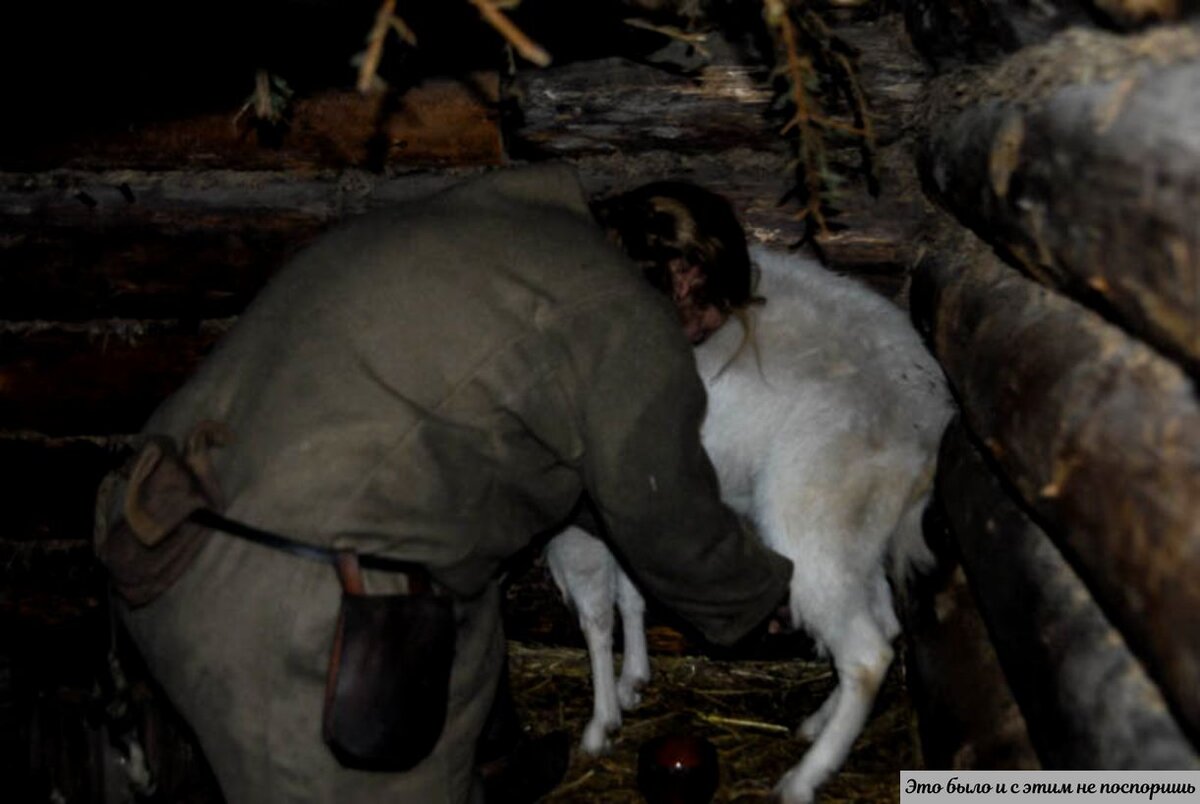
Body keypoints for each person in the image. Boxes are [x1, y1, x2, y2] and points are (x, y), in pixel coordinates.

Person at [93, 163, 793, 803]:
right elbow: (660, 509)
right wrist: (757, 594)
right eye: (698, 334)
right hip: (295, 625)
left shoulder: (483, 236)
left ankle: (495, 766)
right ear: (690, 279)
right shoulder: (624, 315)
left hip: (155, 531)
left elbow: (544, 467)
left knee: (459, 586)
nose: (688, 348)